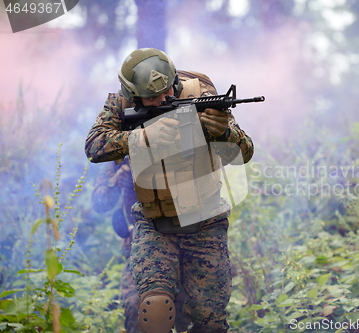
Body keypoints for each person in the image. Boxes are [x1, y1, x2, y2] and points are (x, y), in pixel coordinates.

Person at [85, 48, 254, 333]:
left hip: (205, 224)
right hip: (154, 226)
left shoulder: (200, 92)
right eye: (152, 98)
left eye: (167, 92)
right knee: (156, 310)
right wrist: (139, 137)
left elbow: (244, 152)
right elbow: (94, 146)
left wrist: (224, 132)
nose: (164, 100)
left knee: (209, 323)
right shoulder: (120, 101)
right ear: (134, 95)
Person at [90, 158, 190, 333]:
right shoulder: (122, 150)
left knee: (190, 314)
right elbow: (99, 203)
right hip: (141, 246)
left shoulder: (181, 137)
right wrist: (117, 181)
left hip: (186, 242)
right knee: (139, 310)